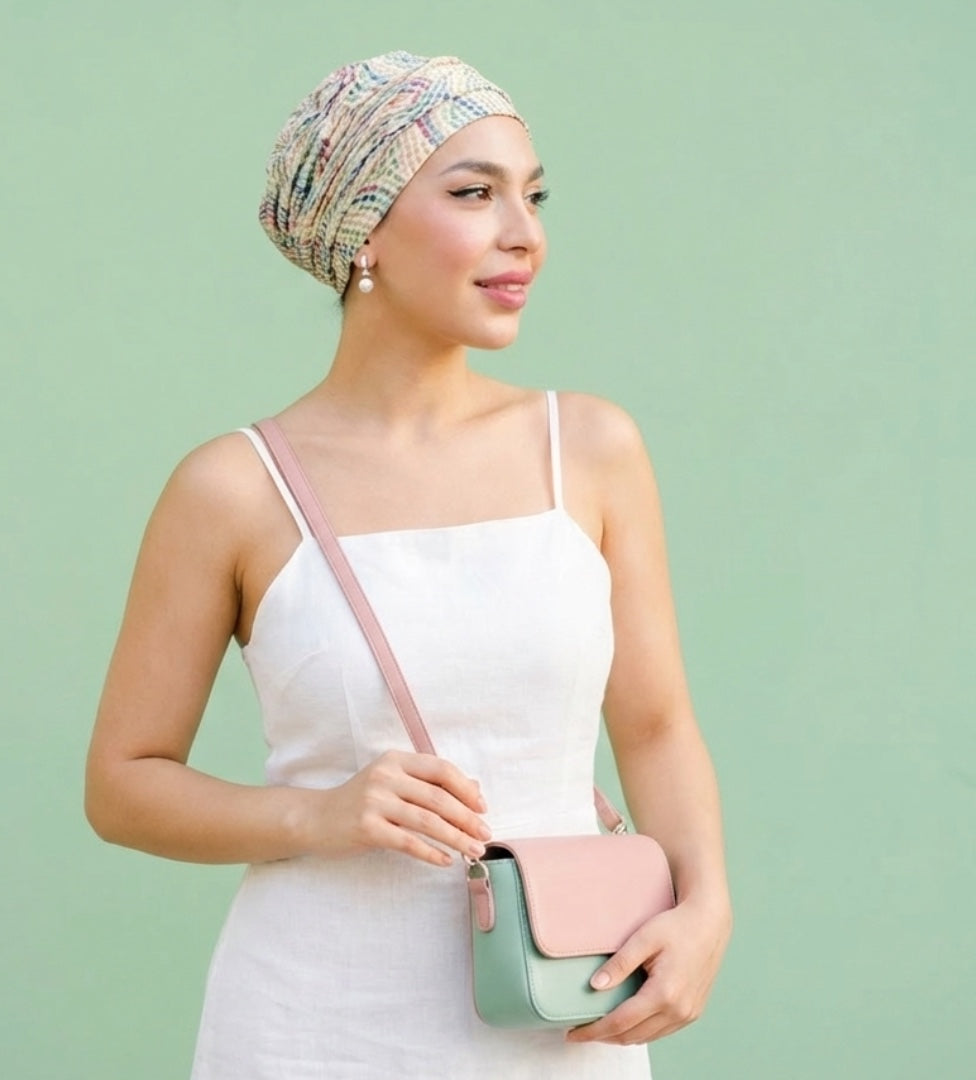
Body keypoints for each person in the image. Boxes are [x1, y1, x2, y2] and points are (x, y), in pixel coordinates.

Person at [85, 50, 731, 1079]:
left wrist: (705, 910)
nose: (524, 233)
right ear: (365, 230)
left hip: (559, 1006)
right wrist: (318, 814)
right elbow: (123, 784)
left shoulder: (590, 448)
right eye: (474, 193)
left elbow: (655, 726)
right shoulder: (233, 489)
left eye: (533, 196)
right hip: (312, 1020)